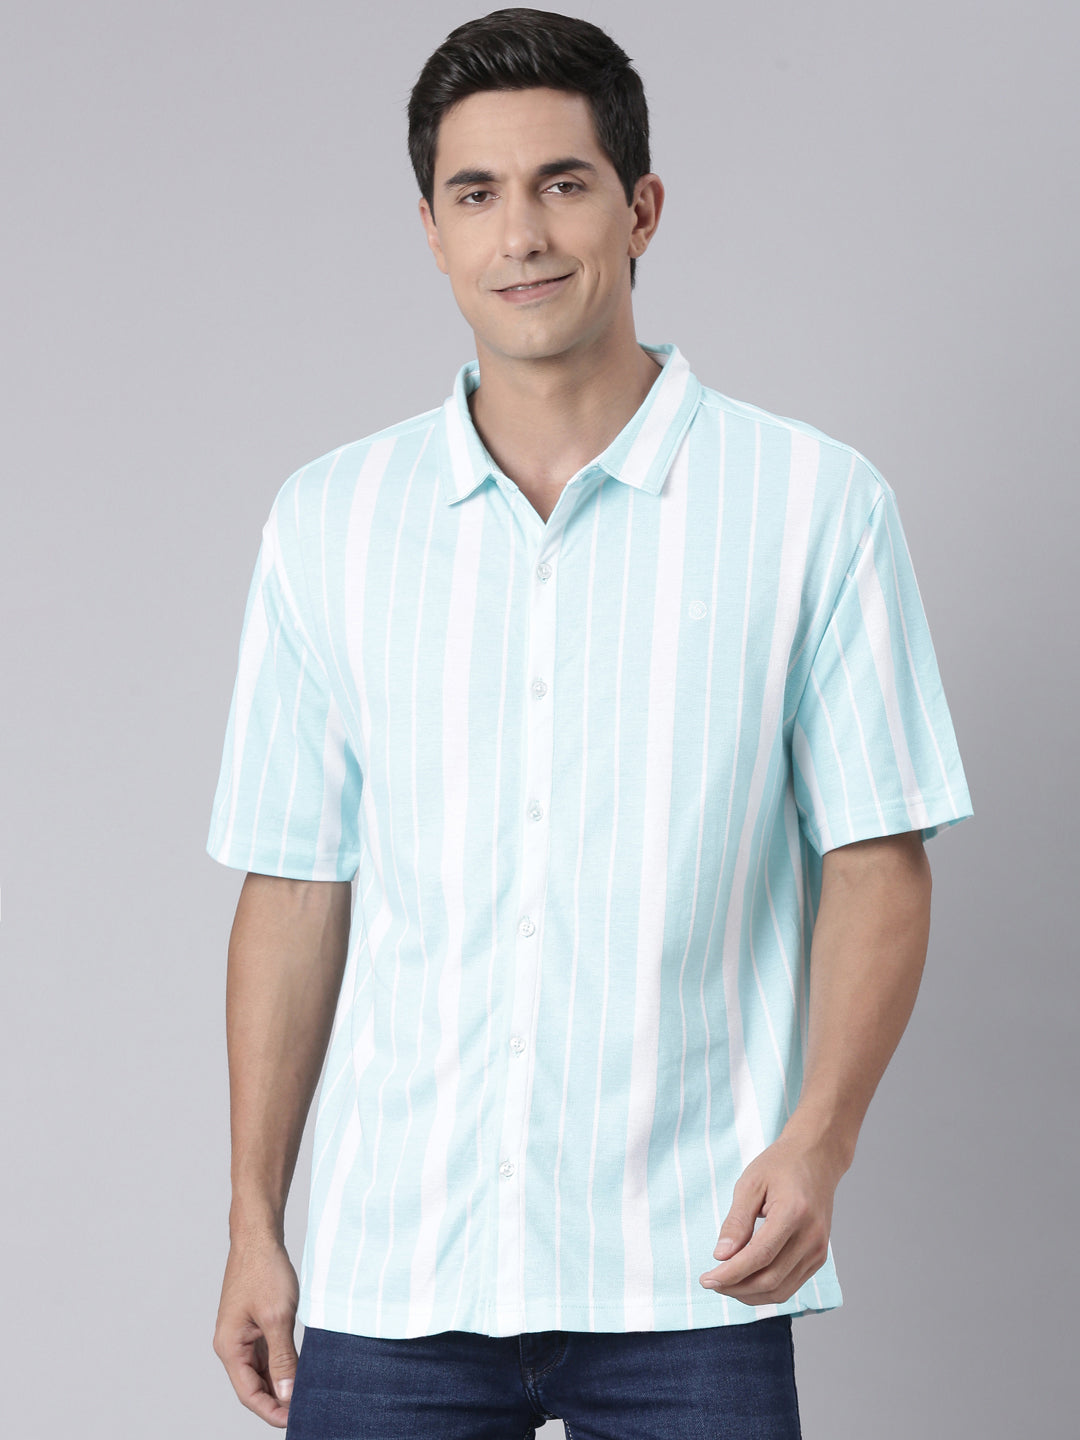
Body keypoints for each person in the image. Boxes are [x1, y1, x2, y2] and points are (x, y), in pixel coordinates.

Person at [206, 8, 974, 1437]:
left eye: (563, 183)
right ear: (431, 231)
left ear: (642, 208)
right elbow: (294, 887)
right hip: (399, 1266)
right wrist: (255, 1218)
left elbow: (879, 855)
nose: (522, 235)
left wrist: (821, 1141)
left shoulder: (812, 506)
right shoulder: (330, 523)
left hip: (693, 1264)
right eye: (475, 194)